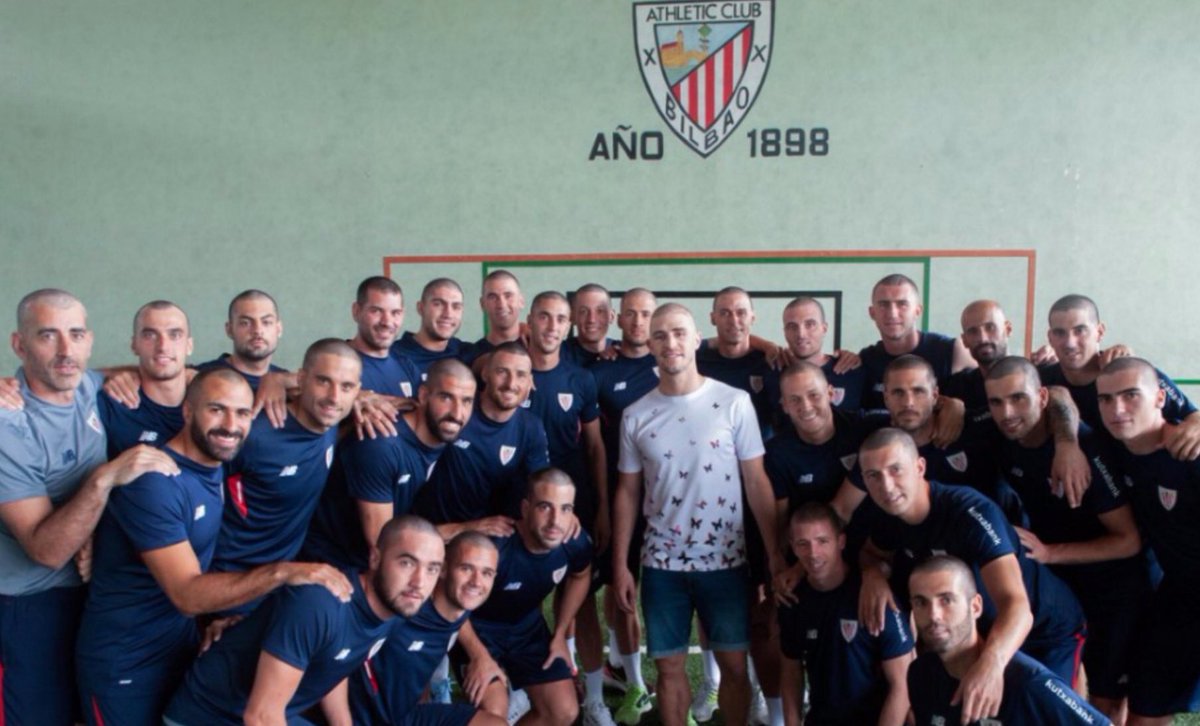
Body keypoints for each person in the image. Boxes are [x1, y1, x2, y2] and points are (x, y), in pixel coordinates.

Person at [75, 368, 354, 725]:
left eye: (242, 413)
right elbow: (186, 594)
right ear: (188, 412)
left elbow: (320, 393)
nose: (230, 425)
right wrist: (283, 573)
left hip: (180, 646)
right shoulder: (155, 481)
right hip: (124, 663)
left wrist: (282, 380)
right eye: (216, 410)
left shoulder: (214, 463)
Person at [0, 288, 180, 725]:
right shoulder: (8, 424)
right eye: (48, 335)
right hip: (28, 604)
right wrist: (105, 478)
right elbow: (46, 550)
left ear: (89, 340)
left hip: (96, 593)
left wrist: (275, 381)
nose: (66, 350)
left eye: (76, 334)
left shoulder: (88, 387)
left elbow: (165, 371)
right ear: (20, 345)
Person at [612, 303, 782, 726]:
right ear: (650, 344)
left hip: (726, 562)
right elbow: (628, 493)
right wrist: (620, 564)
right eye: (660, 335)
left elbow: (756, 481)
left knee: (734, 666)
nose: (670, 342)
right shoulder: (636, 415)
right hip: (661, 564)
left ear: (695, 340)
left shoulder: (734, 402)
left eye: (678, 333)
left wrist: (775, 554)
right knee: (669, 669)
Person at [855, 429, 1087, 696]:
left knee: (1043, 708)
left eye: (895, 470)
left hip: (1043, 629)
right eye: (873, 476)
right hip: (981, 633)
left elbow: (1017, 607)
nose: (886, 486)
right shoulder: (888, 516)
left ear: (919, 467)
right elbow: (871, 553)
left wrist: (991, 665)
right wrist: (872, 575)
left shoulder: (969, 512)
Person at [985, 356, 1150, 721]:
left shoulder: (1086, 450)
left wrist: (1050, 553)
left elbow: (1128, 540)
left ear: (1040, 397)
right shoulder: (1003, 436)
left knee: (1107, 700)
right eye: (996, 402)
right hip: (1063, 583)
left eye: (1018, 398)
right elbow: (1058, 393)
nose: (1007, 412)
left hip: (1114, 587)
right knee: (1065, 687)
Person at [164, 515, 444, 725]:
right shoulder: (320, 604)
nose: (419, 582)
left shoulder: (397, 606)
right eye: (407, 563)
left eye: (432, 569)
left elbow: (334, 664)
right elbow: (260, 716)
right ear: (375, 558)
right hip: (208, 716)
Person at [522, 291, 614, 726]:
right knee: (516, 599)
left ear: (568, 325)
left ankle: (593, 696)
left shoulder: (580, 379)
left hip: (573, 511)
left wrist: (602, 508)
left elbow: (594, 448)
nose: (552, 326)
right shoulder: (509, 371)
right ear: (530, 321)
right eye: (545, 317)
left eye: (561, 319)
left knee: (581, 601)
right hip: (520, 511)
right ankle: (520, 688)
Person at [211, 340, 362, 602]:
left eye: (346, 386)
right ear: (301, 380)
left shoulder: (333, 421)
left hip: (283, 580)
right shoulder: (256, 434)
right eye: (323, 381)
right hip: (234, 581)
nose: (334, 396)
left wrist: (278, 378)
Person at [1097, 357, 1200, 724]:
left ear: (1160, 398)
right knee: (1145, 707)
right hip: (1179, 593)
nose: (1117, 409)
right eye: (1106, 399)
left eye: (1130, 396)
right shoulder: (1114, 451)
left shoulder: (1191, 453)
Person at [451, 468, 593, 726]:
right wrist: (478, 656)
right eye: (545, 507)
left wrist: (560, 633)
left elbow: (581, 575)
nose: (555, 521)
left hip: (527, 629)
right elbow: (451, 602)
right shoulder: (495, 548)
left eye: (565, 509)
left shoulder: (574, 543)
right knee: (494, 712)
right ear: (525, 508)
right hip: (477, 629)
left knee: (563, 711)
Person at [696, 286, 779, 725]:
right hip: (709, 493)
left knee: (761, 597)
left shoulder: (771, 361)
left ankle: (763, 688)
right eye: (725, 313)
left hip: (758, 488)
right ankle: (712, 680)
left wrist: (770, 345)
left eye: (741, 312)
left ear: (753, 316)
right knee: (713, 594)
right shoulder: (697, 358)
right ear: (712, 318)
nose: (734, 320)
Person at [305, 358, 476, 569]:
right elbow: (383, 543)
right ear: (424, 395)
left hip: (376, 560)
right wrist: (464, 529)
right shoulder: (382, 445)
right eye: (446, 397)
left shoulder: (442, 434)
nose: (457, 413)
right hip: (334, 564)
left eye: (466, 401)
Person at [907, 555, 1110, 725]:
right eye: (921, 602)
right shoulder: (920, 674)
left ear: (975, 607)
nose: (934, 615)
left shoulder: (1028, 683)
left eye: (946, 600)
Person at [348, 531, 506, 726]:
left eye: (487, 573)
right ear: (443, 569)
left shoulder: (459, 611)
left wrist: (481, 656)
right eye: (466, 569)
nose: (476, 582)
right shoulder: (404, 608)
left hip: (405, 716)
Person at [777, 503, 913, 726]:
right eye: (803, 544)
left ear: (841, 542)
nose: (813, 553)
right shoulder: (793, 601)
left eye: (822, 541)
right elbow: (791, 673)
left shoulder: (875, 596)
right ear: (793, 547)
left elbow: (902, 684)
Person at [588, 288, 658, 723]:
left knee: (659, 593)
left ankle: (622, 666)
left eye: (646, 314)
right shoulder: (600, 370)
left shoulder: (676, 360)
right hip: (620, 498)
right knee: (620, 586)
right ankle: (633, 682)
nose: (638, 321)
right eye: (630, 313)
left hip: (668, 501)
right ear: (618, 318)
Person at [1042, 293, 1200, 459]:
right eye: (1060, 333)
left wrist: (1195, 428)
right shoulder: (1041, 379)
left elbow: (1192, 415)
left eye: (1080, 330)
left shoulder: (1132, 373)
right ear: (1050, 338)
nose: (1070, 343)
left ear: (1099, 332)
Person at [414, 342, 550, 535]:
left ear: (530, 382)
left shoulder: (531, 427)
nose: (511, 384)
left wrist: (561, 510)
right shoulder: (457, 410)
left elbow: (542, 485)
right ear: (485, 374)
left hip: (486, 534)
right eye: (502, 372)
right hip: (428, 530)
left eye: (520, 375)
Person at [858, 274, 973, 410]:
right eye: (884, 305)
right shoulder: (865, 360)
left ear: (918, 311)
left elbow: (990, 383)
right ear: (872, 313)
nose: (892, 313)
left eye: (902, 304)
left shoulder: (952, 351)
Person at [96, 300, 192, 457]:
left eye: (174, 335)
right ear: (134, 345)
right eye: (150, 335)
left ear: (189, 345)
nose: (163, 347)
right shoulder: (108, 407)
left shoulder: (211, 403)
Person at [780, 296, 865, 412]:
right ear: (785, 332)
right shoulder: (772, 372)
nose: (801, 334)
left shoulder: (851, 371)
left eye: (810, 324)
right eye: (792, 326)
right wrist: (766, 346)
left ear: (824, 328)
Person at [197, 289, 287, 392]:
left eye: (266, 322)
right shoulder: (200, 378)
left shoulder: (287, 384)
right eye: (245, 323)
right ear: (229, 330)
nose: (258, 330)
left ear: (279, 329)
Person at [349, 276, 422, 399]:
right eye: (376, 311)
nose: (387, 322)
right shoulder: (335, 363)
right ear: (356, 311)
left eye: (395, 313)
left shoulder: (407, 366)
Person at [392, 278, 472, 378]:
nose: (448, 314)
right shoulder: (393, 355)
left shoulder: (469, 354)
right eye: (438, 304)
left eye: (456, 307)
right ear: (420, 308)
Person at [467, 270, 527, 366]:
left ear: (521, 301)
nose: (501, 305)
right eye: (493, 297)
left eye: (508, 296)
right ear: (482, 304)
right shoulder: (471, 357)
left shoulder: (537, 348)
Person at [564, 284, 617, 367]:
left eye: (600, 311)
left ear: (611, 316)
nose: (592, 319)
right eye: (583, 311)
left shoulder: (622, 352)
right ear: (572, 317)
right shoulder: (558, 355)